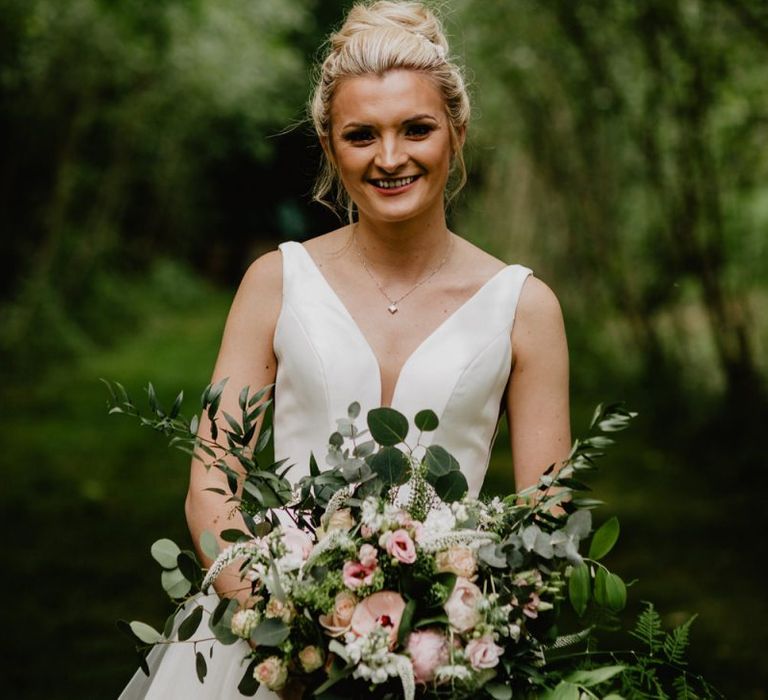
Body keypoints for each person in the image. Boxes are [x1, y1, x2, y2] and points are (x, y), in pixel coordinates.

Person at [119, 1, 569, 698]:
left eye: (416, 129)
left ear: (456, 132)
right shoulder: (275, 283)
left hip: (445, 658)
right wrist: (287, 622)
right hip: (268, 647)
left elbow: (547, 519)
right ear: (330, 147)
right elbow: (210, 495)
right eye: (362, 135)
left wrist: (457, 632)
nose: (391, 158)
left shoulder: (525, 307)